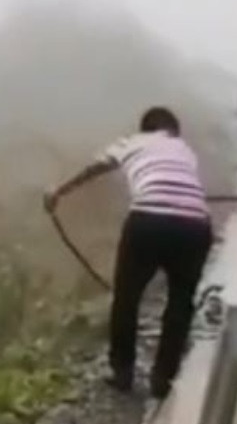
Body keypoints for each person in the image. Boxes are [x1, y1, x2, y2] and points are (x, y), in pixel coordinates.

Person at [43, 106, 213, 399]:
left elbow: (95, 168)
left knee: (127, 297)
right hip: (196, 224)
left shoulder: (132, 142)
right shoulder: (185, 149)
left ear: (145, 128)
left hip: (148, 219)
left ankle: (122, 372)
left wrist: (59, 191)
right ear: (173, 130)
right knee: (180, 303)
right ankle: (163, 380)